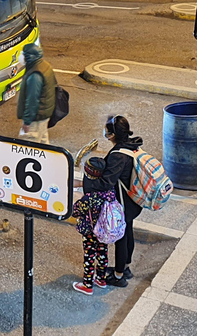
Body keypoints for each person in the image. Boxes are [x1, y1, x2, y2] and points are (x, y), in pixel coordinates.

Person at [101, 115, 143, 287]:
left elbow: (107, 181)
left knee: (121, 238)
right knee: (128, 232)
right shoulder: (132, 145)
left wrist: (86, 181)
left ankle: (118, 276)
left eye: (106, 130)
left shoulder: (118, 155)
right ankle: (125, 267)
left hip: (122, 203)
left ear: (111, 135)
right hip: (133, 200)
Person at [72, 156, 117, 295]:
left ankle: (87, 284)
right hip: (105, 230)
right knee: (103, 252)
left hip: (91, 231)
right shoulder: (110, 191)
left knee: (89, 255)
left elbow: (75, 211)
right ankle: (101, 279)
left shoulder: (89, 197)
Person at [17, 43, 57, 144]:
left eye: (24, 54)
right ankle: (47, 160)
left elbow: (32, 101)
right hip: (44, 115)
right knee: (43, 143)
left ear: (30, 57)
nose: (21, 57)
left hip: (36, 118)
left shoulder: (35, 75)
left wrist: (27, 122)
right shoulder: (44, 65)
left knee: (29, 145)